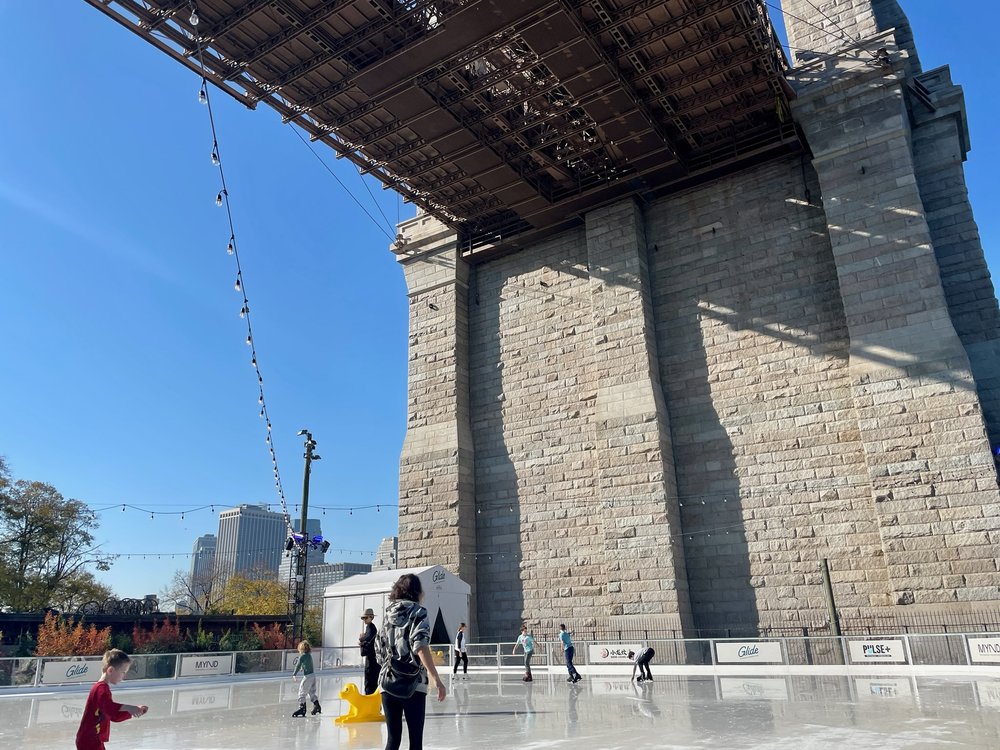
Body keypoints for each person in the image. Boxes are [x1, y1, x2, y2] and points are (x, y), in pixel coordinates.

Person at [376, 573, 446, 750]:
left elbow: (378, 649)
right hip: (413, 683)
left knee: (392, 740)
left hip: (388, 682)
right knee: (415, 742)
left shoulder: (387, 614)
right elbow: (420, 646)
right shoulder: (418, 612)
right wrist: (436, 678)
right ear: (417, 591)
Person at [75, 648, 147, 750]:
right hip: (89, 740)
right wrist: (130, 708)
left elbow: (113, 715)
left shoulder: (104, 689)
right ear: (111, 670)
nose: (124, 676)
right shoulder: (100, 689)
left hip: (94, 739)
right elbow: (109, 707)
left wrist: (131, 712)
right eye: (123, 672)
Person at [291, 639, 321, 717]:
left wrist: (294, 674)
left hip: (307, 677)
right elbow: (307, 665)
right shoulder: (309, 655)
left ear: (301, 649)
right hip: (313, 676)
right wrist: (303, 668)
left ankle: (302, 709)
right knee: (311, 692)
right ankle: (317, 706)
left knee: (301, 692)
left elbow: (298, 665)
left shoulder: (302, 656)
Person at [360, 608, 380, 694]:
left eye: (366, 618)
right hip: (372, 661)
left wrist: (361, 641)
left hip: (372, 662)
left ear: (371, 617)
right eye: (363, 618)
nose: (364, 620)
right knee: (370, 684)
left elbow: (368, 645)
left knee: (370, 684)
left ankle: (371, 705)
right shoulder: (369, 628)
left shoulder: (371, 629)